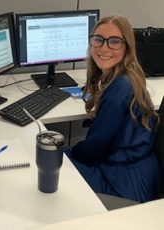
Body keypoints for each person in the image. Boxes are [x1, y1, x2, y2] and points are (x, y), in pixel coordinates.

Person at [65, 14, 160, 202]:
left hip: (124, 187)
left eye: (114, 41)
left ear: (127, 47)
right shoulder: (127, 78)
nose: (104, 48)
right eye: (98, 40)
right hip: (139, 175)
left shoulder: (120, 88)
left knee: (55, 156)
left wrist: (63, 150)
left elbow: (95, 147)